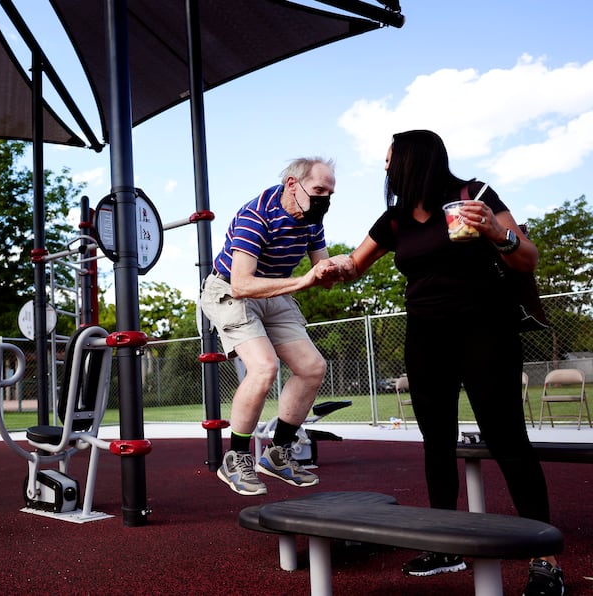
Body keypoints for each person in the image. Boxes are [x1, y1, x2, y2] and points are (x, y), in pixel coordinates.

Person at [322, 130, 563, 596]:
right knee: (437, 441)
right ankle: (446, 545)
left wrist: (496, 231)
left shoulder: (474, 195)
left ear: (413, 160)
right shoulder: (394, 220)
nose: (385, 168)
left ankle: (544, 555)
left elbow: (527, 259)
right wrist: (335, 268)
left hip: (485, 330)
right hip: (427, 336)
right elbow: (356, 264)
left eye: (389, 159)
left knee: (507, 437)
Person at [199, 157, 336, 496]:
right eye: (319, 190)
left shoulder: (311, 220)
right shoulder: (256, 216)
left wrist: (339, 268)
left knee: (312, 367)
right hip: (231, 289)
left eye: (330, 192)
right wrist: (303, 281)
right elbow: (242, 284)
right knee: (263, 367)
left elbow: (324, 276)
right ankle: (236, 457)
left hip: (274, 290)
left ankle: (278, 452)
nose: (325, 198)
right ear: (293, 184)